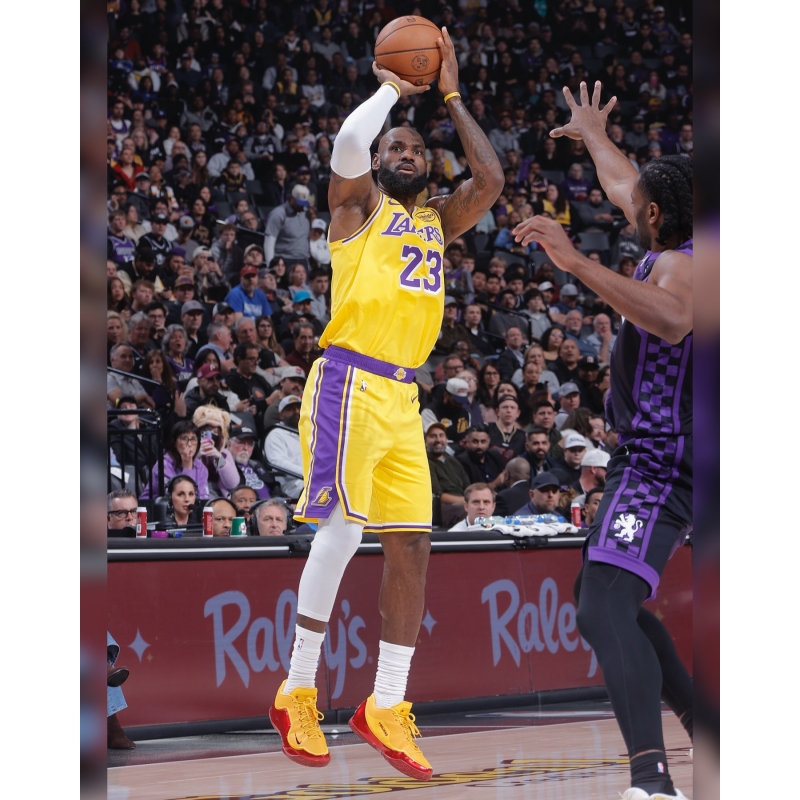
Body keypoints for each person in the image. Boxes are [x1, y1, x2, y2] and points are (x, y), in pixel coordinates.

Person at [269, 33, 504, 781]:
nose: (405, 152)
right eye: (393, 147)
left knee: (412, 546)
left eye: (416, 148)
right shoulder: (356, 206)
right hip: (348, 380)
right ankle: (297, 689)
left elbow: (491, 179)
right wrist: (394, 89)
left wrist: (452, 95)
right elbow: (347, 141)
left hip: (404, 396)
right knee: (342, 531)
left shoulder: (435, 219)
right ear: (376, 162)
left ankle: (387, 704)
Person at [512, 81, 693, 800]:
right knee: (600, 592)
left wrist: (576, 262)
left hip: (662, 460)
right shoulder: (679, 234)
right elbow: (626, 185)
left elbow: (673, 319)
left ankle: (652, 780)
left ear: (656, 216)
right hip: (652, 454)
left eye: (636, 205)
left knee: (602, 606)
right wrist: (592, 133)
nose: (625, 203)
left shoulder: (687, 265)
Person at [263, 395, 304, 499]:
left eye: (299, 408)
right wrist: (307, 473)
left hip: (313, 479)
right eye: (291, 409)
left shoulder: (309, 433)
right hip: (292, 485)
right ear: (281, 415)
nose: (297, 411)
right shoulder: (276, 433)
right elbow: (278, 463)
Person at [226, 425, 273, 499]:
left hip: (272, 502)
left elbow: (273, 485)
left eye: (250, 444)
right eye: (241, 443)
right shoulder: (224, 466)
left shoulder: (257, 464)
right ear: (229, 444)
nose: (246, 448)